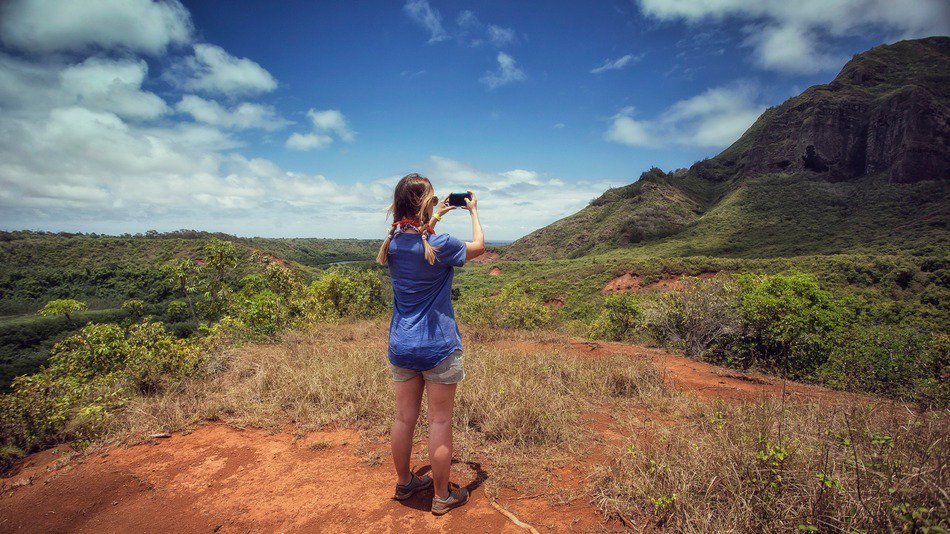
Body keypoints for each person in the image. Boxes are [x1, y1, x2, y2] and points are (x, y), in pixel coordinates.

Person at [376, 173, 485, 516]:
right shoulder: (443, 244)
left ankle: (405, 483)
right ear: (426, 204)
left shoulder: (392, 244)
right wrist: (472, 212)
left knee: (403, 419)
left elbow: (418, 237)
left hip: (402, 345)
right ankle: (442, 496)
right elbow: (479, 247)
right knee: (439, 422)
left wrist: (436, 215)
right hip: (438, 347)